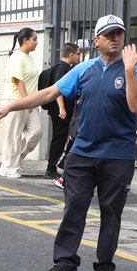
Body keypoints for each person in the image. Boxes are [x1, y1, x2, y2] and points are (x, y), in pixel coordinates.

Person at [0, 13, 137, 271]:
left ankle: (104, 268)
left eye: (119, 34)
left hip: (117, 154)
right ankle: (65, 263)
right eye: (109, 35)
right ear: (96, 40)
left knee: (111, 211)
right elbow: (50, 93)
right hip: (83, 152)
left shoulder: (135, 68)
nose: (115, 39)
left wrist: (131, 71)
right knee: (74, 208)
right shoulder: (84, 69)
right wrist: (10, 106)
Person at [0, 27, 44, 179]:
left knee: (36, 132)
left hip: (29, 102)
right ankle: (8, 168)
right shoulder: (16, 57)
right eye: (34, 39)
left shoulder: (29, 57)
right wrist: (27, 101)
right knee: (14, 136)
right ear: (25, 40)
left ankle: (16, 160)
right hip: (15, 100)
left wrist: (31, 102)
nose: (37, 42)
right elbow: (18, 80)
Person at [39, 42, 79, 181]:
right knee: (59, 138)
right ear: (71, 54)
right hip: (61, 111)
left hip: (61, 110)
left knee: (61, 138)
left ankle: (58, 165)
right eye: (78, 54)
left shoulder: (63, 67)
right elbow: (58, 89)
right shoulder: (63, 69)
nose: (79, 57)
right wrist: (62, 108)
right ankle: (51, 168)